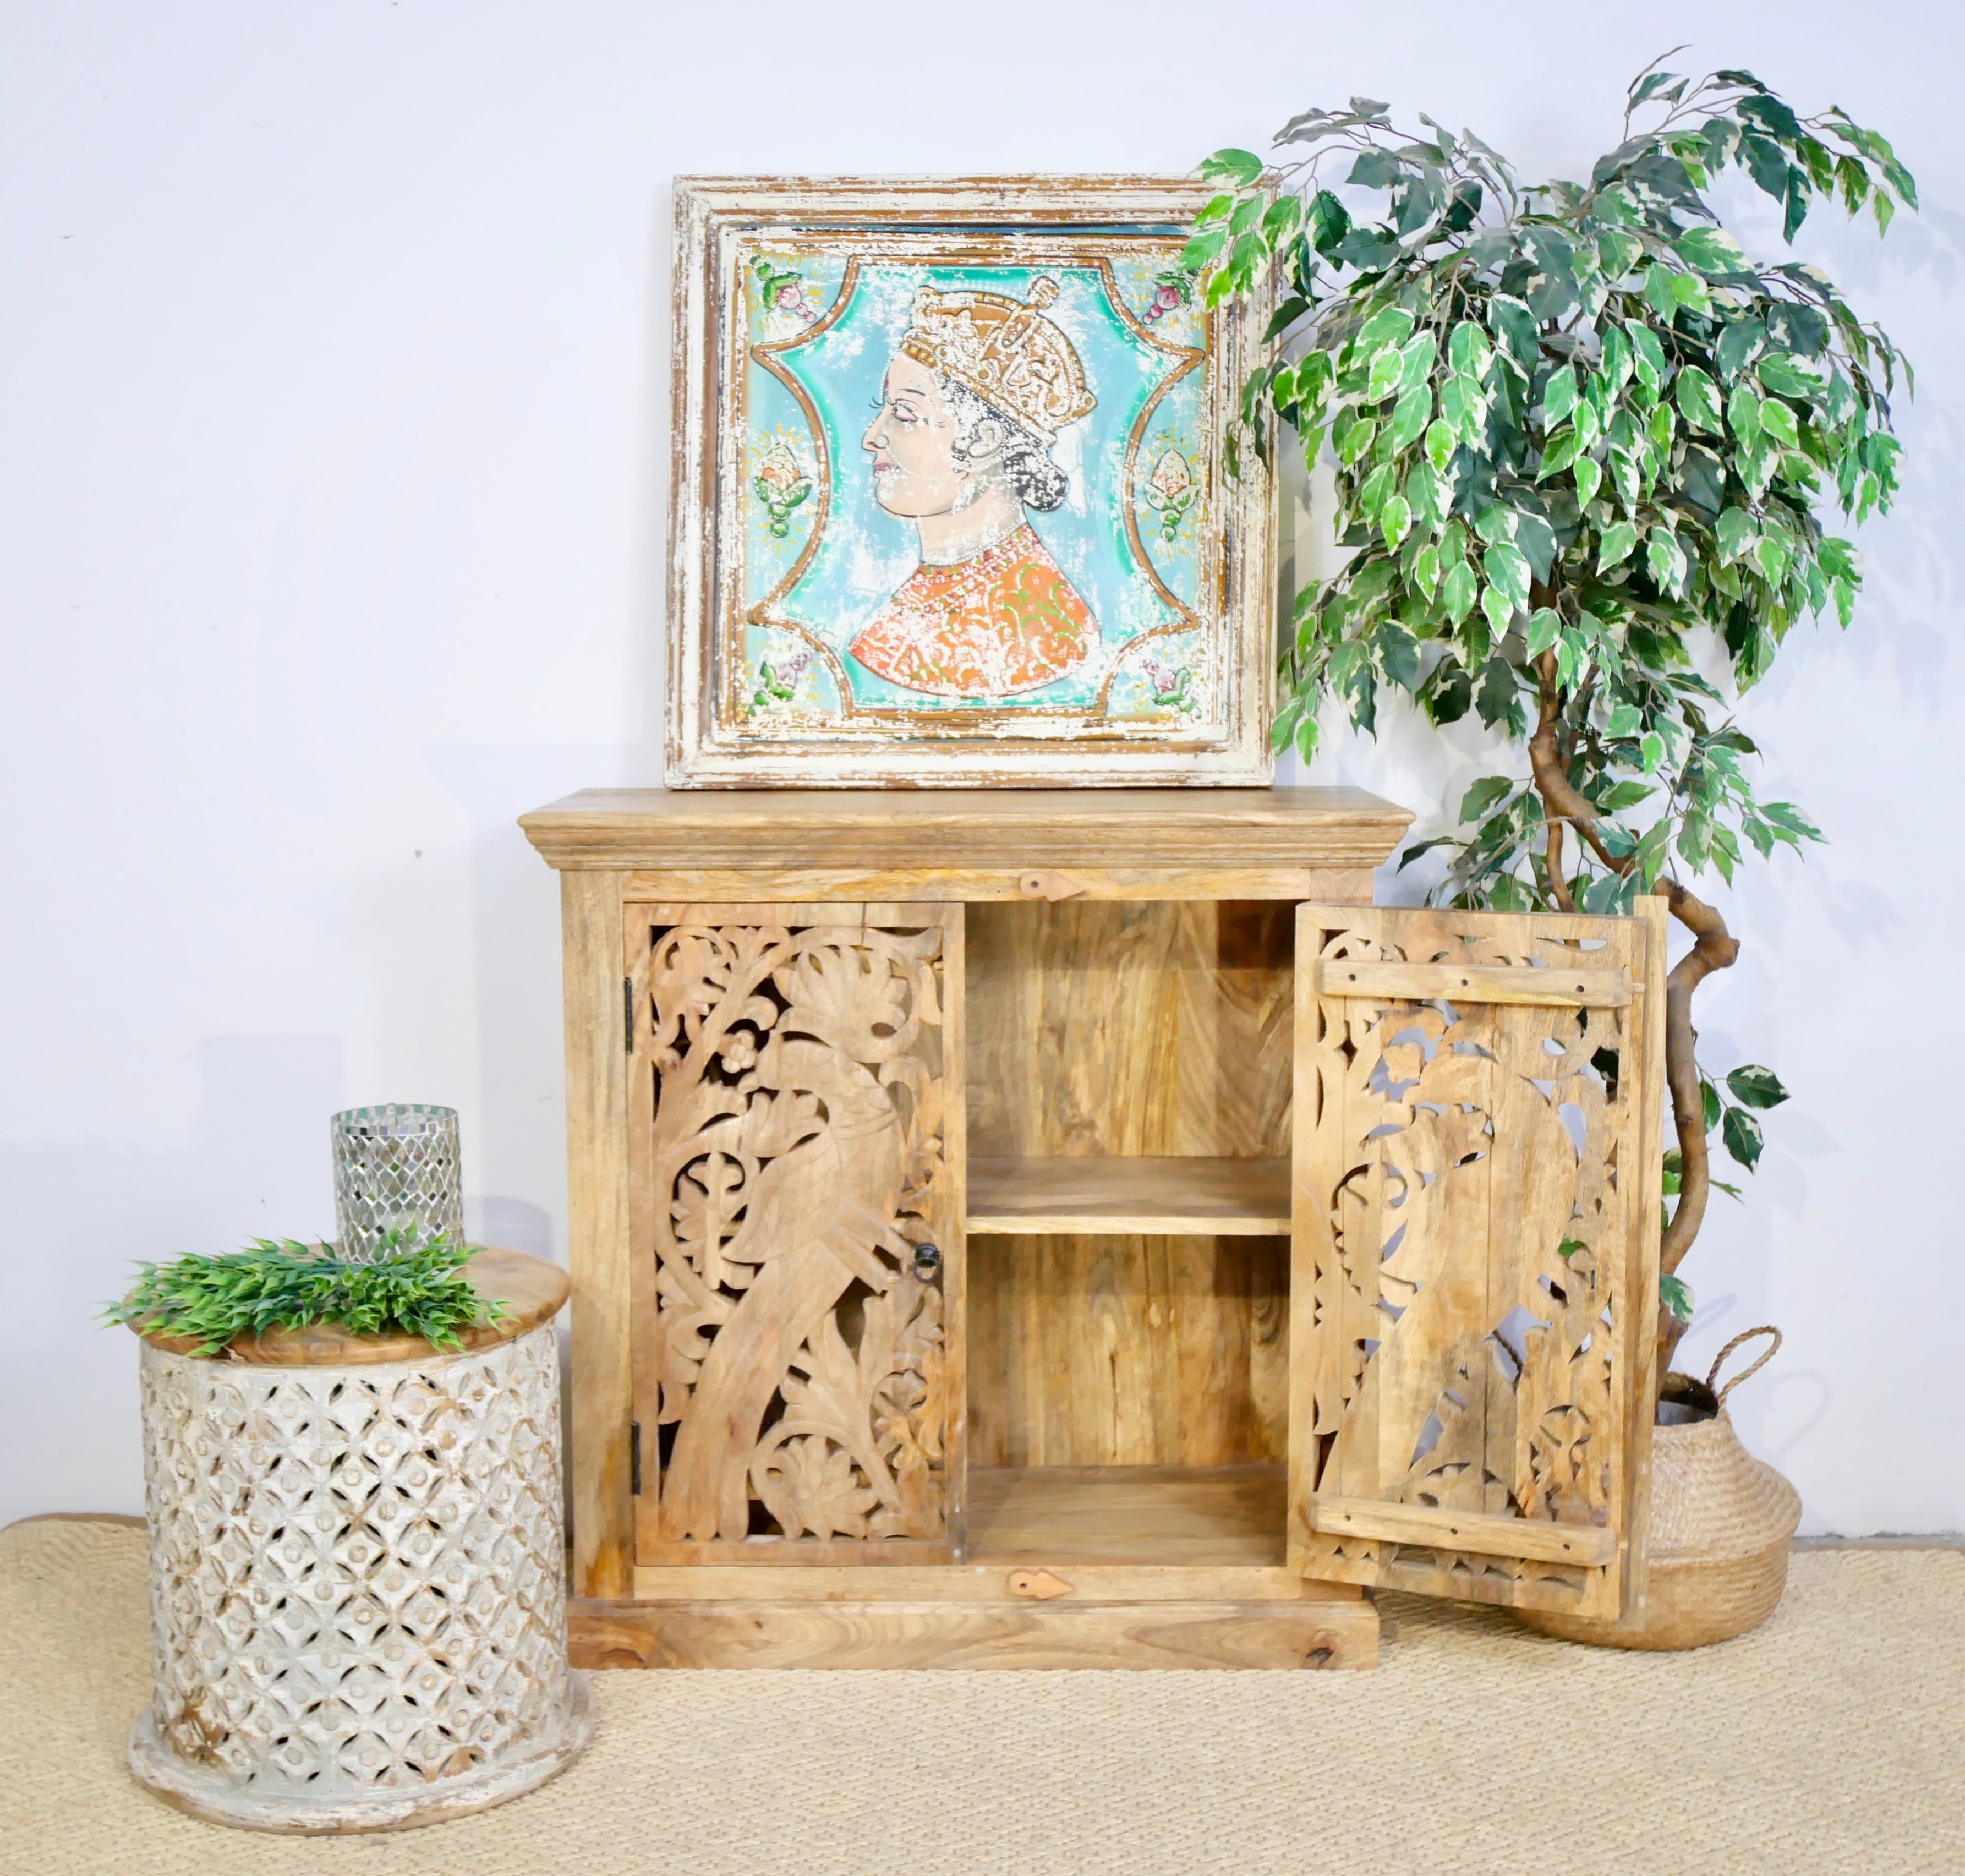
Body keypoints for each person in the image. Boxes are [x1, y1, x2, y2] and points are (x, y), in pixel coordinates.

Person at [849, 278, 1099, 699]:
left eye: (905, 414)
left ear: (983, 441)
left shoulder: (1046, 624)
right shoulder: (924, 594)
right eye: (883, 411)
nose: (872, 437)